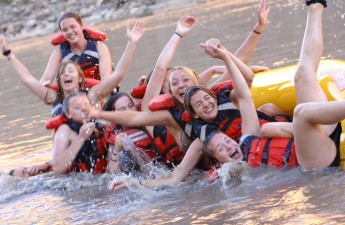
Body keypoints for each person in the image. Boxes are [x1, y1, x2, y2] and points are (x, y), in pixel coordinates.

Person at [202, 0, 341, 171]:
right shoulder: (240, 175)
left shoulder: (248, 138)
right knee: (300, 114)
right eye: (221, 149)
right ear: (218, 163)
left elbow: (244, 94)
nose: (229, 146)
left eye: (227, 141)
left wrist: (224, 55)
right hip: (315, 161)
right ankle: (302, 126)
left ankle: (315, 5)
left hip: (322, 134)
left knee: (302, 74)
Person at [0, 21, 145, 117]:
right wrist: (8, 54)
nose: (66, 74)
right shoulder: (54, 98)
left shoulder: (93, 95)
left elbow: (118, 74)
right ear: (59, 80)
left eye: (70, 71)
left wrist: (132, 43)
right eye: (62, 72)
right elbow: (27, 79)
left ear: (80, 78)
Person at [39, 12, 113, 86]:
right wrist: (45, 85)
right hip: (74, 94)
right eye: (65, 30)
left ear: (81, 26)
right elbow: (45, 79)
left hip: (100, 90)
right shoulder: (59, 53)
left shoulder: (100, 48)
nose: (69, 32)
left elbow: (106, 77)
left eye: (73, 27)